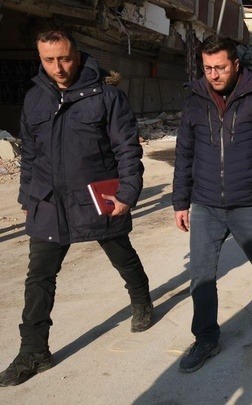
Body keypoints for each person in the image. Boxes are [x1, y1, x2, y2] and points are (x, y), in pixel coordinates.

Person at [0, 29, 153, 387]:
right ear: (40, 59)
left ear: (78, 55)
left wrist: (127, 193)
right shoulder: (35, 98)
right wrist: (28, 198)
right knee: (39, 278)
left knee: (122, 255)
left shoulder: (107, 96)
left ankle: (142, 300)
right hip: (49, 202)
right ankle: (33, 351)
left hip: (96, 198)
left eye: (65, 58)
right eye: (49, 60)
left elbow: (127, 149)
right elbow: (30, 154)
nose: (58, 67)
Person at [172, 35, 252, 373]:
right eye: (207, 68)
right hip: (206, 204)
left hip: (249, 202)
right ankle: (206, 338)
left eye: (221, 67)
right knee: (201, 274)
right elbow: (184, 154)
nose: (213, 74)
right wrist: (180, 201)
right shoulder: (195, 102)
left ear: (236, 65)